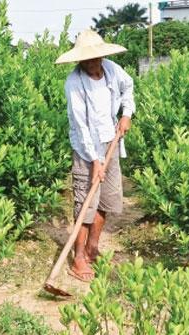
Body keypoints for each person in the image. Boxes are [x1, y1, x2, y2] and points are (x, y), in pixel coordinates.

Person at [55, 30, 135, 282]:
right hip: (86, 149)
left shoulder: (111, 69)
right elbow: (81, 127)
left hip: (110, 140)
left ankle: (92, 248)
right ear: (79, 60)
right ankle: (78, 258)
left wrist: (126, 114)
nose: (93, 63)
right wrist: (95, 161)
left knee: (106, 201)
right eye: (87, 59)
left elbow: (128, 87)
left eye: (96, 58)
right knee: (85, 203)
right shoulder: (74, 84)